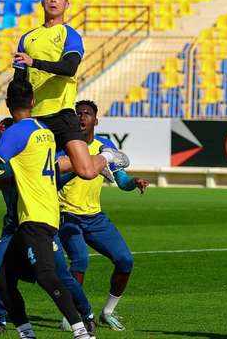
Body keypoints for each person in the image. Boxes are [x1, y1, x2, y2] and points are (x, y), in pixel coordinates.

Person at [0, 79, 101, 338]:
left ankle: (82, 333)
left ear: (7, 104)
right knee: (3, 278)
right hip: (45, 213)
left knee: (47, 276)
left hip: (35, 217)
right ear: (33, 102)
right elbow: (32, 169)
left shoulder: (17, 132)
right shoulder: (45, 132)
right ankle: (27, 333)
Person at [0, 117, 96, 336]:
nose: (4, 136)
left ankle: (86, 317)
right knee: (0, 275)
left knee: (58, 275)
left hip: (38, 223)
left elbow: (57, 175)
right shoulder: (5, 163)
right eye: (1, 133)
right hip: (13, 227)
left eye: (7, 132)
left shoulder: (28, 158)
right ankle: (1, 320)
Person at [58, 100, 149, 331]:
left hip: (95, 217)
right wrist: (81, 168)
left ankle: (108, 312)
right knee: (80, 260)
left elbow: (121, 181)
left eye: (87, 114)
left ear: (95, 120)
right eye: (78, 113)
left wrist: (134, 182)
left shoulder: (104, 146)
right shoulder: (64, 146)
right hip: (67, 214)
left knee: (125, 260)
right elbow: (55, 181)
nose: (81, 117)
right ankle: (71, 316)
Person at [13, 0, 119, 181]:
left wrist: (33, 62)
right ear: (42, 2)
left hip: (62, 113)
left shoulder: (69, 35)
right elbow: (19, 82)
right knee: (34, 173)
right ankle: (94, 160)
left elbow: (69, 68)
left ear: (66, 4)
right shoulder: (27, 39)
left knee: (86, 172)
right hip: (35, 117)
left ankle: (107, 157)